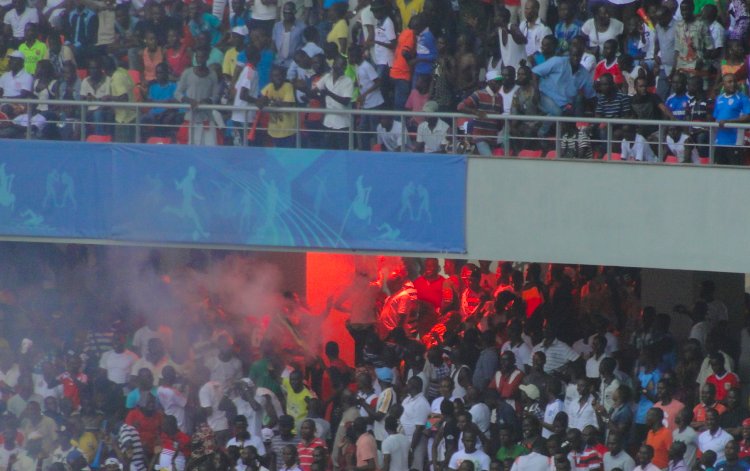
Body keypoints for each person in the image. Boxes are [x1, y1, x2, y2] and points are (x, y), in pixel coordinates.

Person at [456, 70, 503, 156]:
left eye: (500, 81)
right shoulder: (479, 94)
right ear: (489, 82)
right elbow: (460, 106)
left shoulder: (500, 97)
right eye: (496, 81)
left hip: (493, 137)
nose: (499, 84)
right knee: (489, 160)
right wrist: (476, 112)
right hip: (480, 136)